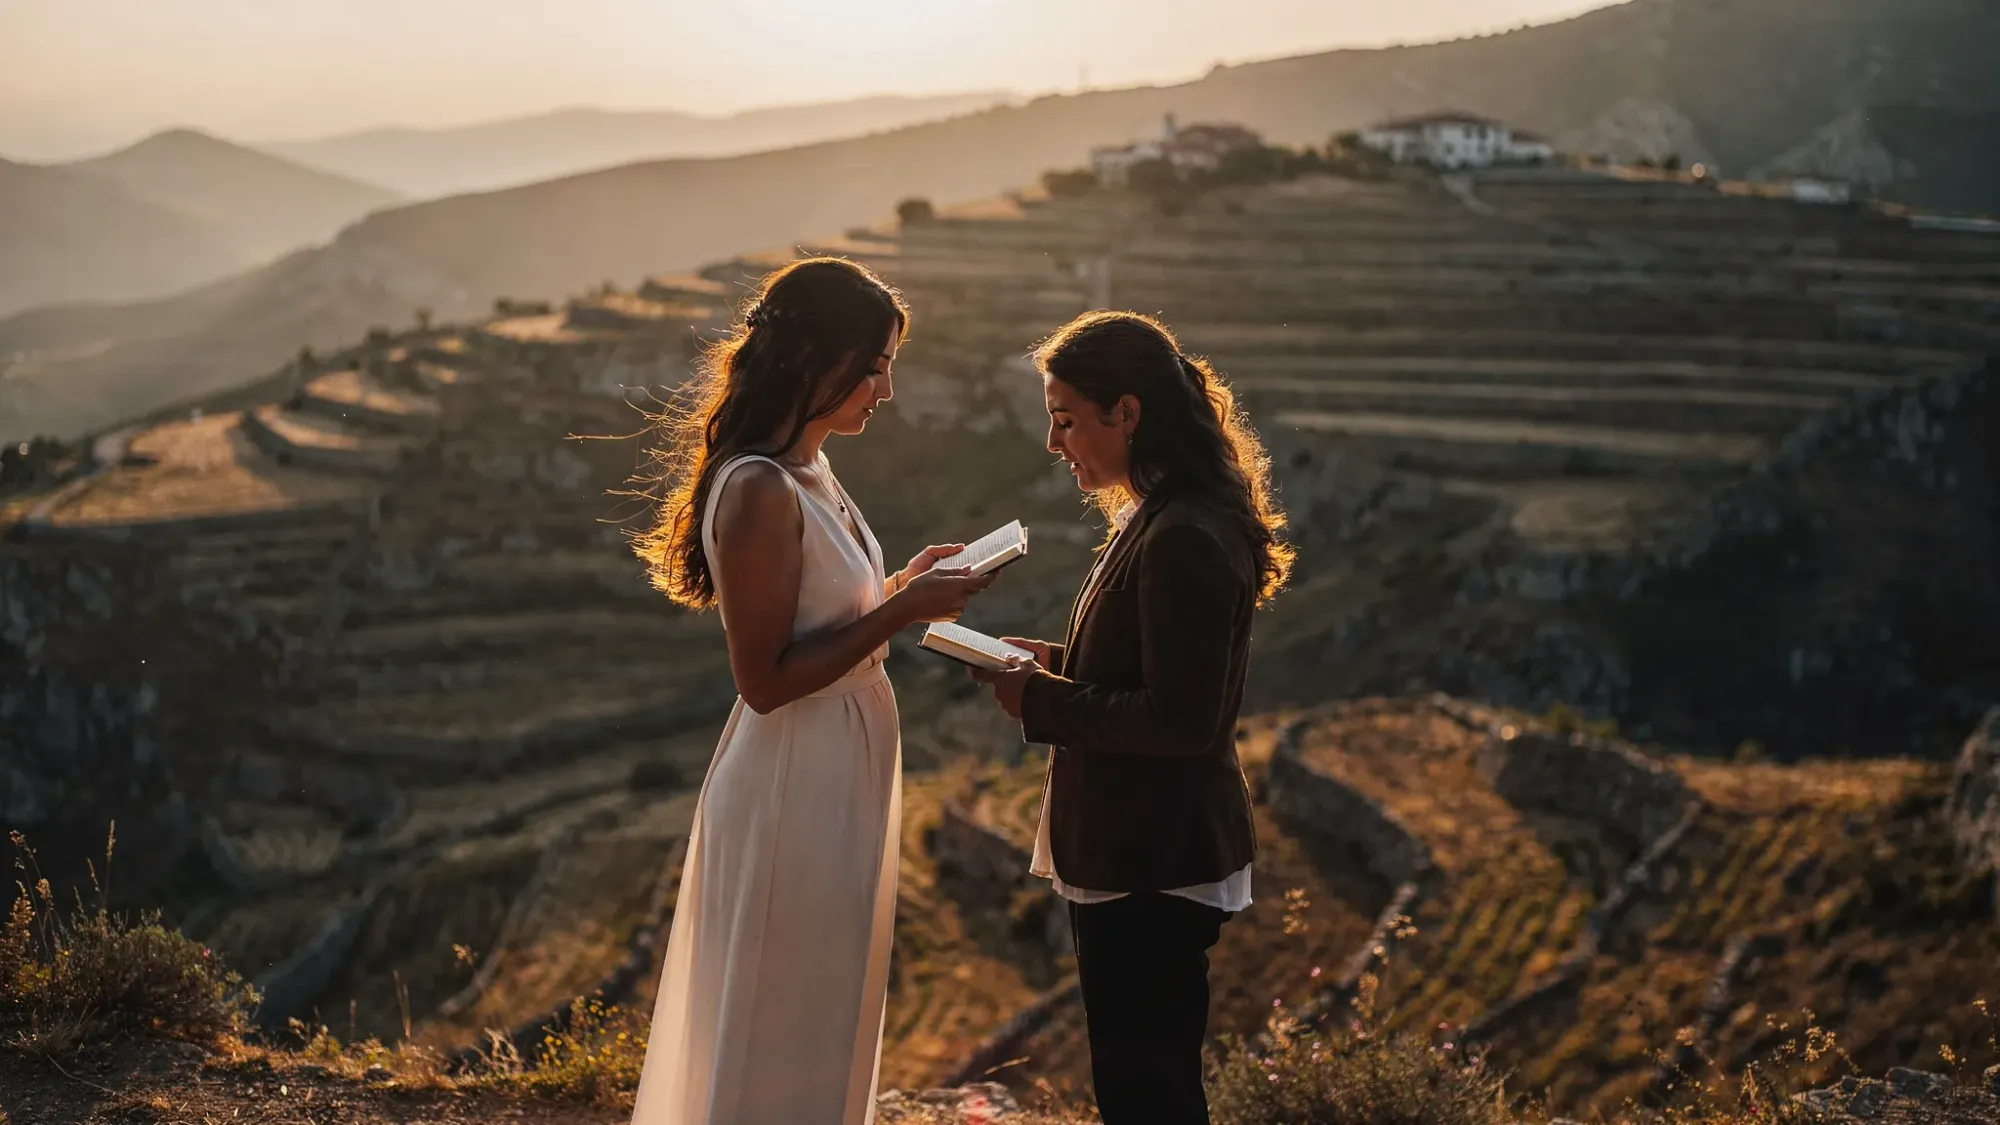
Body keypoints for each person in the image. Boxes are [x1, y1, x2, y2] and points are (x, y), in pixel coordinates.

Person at [628, 257, 995, 1125]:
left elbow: (821, 613)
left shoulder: (811, 470)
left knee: (827, 1003)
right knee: (777, 1014)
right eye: (873, 366)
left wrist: (902, 582)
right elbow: (763, 681)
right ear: (815, 361)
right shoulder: (756, 486)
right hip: (795, 771)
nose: (887, 388)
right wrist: (903, 609)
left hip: (840, 760)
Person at [971, 311, 1292, 1125]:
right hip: (1142, 846)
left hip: (1153, 853)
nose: (1055, 443)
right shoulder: (1159, 516)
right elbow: (1151, 673)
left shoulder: (1181, 534)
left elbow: (1181, 719)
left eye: (1067, 419)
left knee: (1148, 1088)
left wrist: (1039, 701)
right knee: (1140, 1078)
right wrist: (1055, 666)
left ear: (1128, 413)